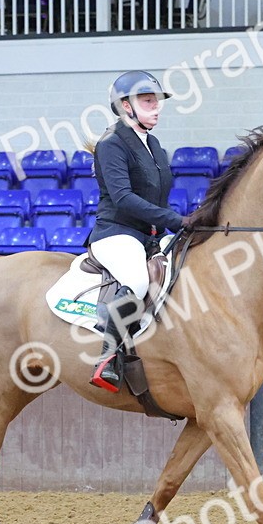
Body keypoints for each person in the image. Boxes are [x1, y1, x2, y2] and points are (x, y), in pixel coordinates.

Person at [86, 70, 193, 393]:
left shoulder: (154, 144)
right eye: (148, 102)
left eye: (156, 102)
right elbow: (123, 198)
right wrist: (175, 220)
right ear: (125, 106)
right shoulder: (111, 143)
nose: (156, 107)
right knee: (136, 279)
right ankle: (108, 358)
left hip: (149, 235)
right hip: (116, 233)